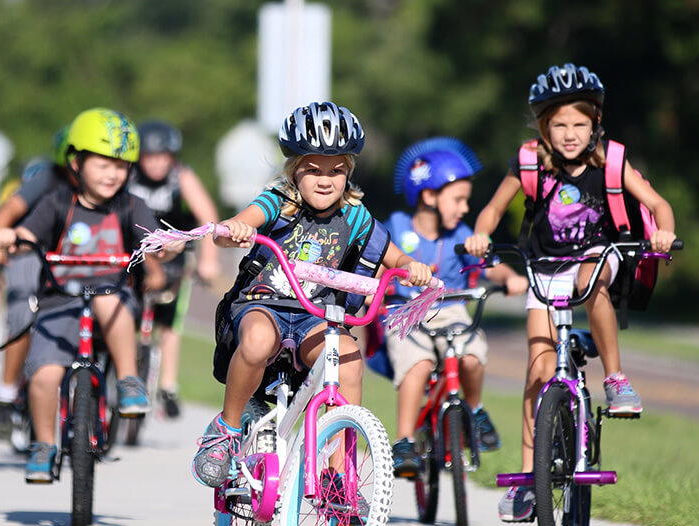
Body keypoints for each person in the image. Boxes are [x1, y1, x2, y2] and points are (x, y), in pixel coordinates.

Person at [463, 64, 677, 522]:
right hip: (544, 268)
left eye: (579, 123)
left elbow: (658, 205)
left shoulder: (612, 163)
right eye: (558, 124)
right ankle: (527, 479)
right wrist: (481, 237)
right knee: (538, 372)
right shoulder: (529, 164)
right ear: (543, 127)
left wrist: (664, 233)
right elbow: (490, 212)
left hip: (599, 256)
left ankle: (615, 378)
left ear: (595, 123)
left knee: (591, 279)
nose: (569, 133)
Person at [191, 101, 434, 492]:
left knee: (350, 362)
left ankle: (339, 477)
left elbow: (394, 256)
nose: (325, 180)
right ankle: (227, 428)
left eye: (336, 171)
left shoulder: (355, 217)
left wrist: (411, 266)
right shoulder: (277, 203)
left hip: (315, 315)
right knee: (257, 341)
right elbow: (236, 226)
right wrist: (233, 229)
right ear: (294, 170)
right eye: (313, 170)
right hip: (264, 302)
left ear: (348, 172)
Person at [0, 108, 171, 483]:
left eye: (121, 166)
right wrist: (11, 239)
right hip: (60, 305)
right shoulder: (57, 202)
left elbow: (155, 240)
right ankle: (43, 445)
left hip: (112, 306)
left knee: (107, 295)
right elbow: (29, 235)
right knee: (43, 377)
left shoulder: (131, 206)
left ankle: (128, 379)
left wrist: (166, 248)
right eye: (102, 164)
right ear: (77, 162)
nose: (112, 174)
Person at [383, 138, 528, 479]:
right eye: (458, 199)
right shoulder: (398, 227)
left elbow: (486, 265)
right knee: (416, 365)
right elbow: (377, 260)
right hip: (405, 312)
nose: (465, 208)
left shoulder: (460, 233)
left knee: (472, 355)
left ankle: (475, 410)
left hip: (452, 310)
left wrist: (510, 278)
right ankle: (404, 440)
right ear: (429, 196)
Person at [127, 120, 222, 418]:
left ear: (172, 156)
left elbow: (207, 217)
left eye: (162, 156)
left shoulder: (181, 177)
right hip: (135, 254)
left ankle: (168, 385)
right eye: (149, 157)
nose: (155, 163)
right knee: (125, 312)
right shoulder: (127, 176)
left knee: (169, 321)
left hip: (174, 254)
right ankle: (124, 374)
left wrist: (209, 260)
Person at [0, 128, 75, 443]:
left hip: (75, 259)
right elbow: (9, 212)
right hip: (30, 250)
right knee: (24, 313)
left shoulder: (111, 183)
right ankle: (7, 394)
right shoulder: (47, 179)